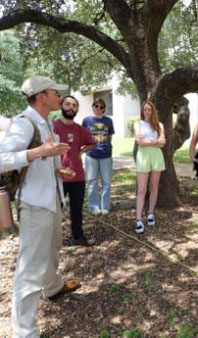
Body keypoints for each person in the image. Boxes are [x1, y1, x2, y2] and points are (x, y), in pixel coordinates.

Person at [0, 75, 81, 337]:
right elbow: (2, 159)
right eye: (55, 92)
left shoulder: (46, 123)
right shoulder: (24, 123)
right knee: (30, 268)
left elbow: (44, 160)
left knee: (53, 247)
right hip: (34, 204)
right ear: (41, 96)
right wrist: (39, 153)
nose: (60, 96)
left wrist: (60, 170)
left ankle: (52, 287)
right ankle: (25, 332)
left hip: (51, 200)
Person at [53, 95, 96, 245]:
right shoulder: (53, 127)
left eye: (74, 105)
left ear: (77, 109)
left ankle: (78, 237)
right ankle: (54, 241)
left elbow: (92, 142)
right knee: (54, 211)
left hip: (78, 177)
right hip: (58, 178)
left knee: (76, 210)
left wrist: (81, 152)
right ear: (61, 106)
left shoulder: (80, 129)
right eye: (67, 104)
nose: (71, 107)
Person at [134, 100, 166, 234]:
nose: (147, 112)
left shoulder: (159, 125)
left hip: (157, 157)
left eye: (149, 109)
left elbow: (163, 143)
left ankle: (151, 213)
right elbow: (139, 142)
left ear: (153, 111)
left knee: (154, 187)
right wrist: (155, 141)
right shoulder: (138, 124)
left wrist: (149, 142)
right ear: (142, 111)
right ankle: (138, 219)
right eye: (145, 109)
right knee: (141, 189)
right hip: (143, 157)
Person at [82, 98, 115, 215]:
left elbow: (110, 137)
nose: (98, 108)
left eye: (101, 107)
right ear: (93, 107)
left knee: (106, 182)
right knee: (92, 182)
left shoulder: (108, 121)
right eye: (96, 106)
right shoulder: (86, 121)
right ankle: (94, 207)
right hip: (91, 156)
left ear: (104, 109)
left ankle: (105, 206)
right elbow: (84, 137)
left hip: (106, 155)